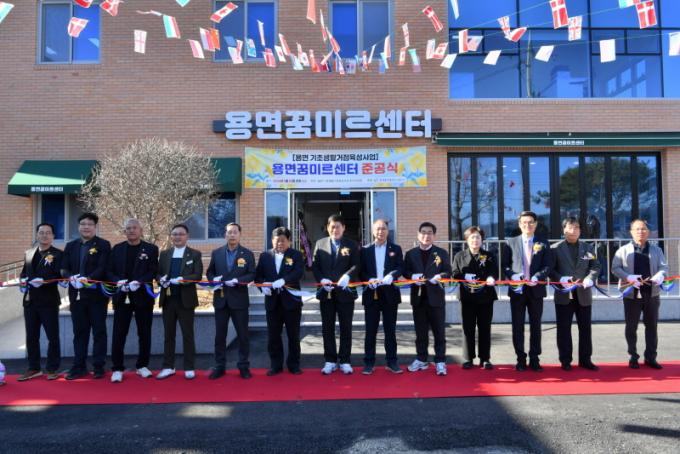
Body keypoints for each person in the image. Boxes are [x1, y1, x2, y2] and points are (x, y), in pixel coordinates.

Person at [107, 219, 159, 383]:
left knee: (144, 333)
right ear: (124, 231)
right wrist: (117, 281)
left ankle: (142, 365)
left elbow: (153, 270)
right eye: (128, 228)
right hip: (122, 296)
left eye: (134, 228)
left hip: (143, 296)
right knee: (119, 333)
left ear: (141, 230)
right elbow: (109, 271)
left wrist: (140, 282)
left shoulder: (151, 249)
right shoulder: (117, 249)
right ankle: (117, 368)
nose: (131, 231)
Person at [60, 212, 111, 380]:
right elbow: (63, 268)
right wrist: (71, 277)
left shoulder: (103, 244)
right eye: (83, 224)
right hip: (76, 296)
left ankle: (98, 366)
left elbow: (103, 268)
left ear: (95, 227)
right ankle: (79, 366)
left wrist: (87, 279)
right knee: (79, 332)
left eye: (89, 224)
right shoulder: (71, 246)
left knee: (99, 332)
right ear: (78, 226)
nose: (86, 227)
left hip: (96, 296)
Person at [612, 219, 668, 370]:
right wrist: (627, 277)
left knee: (652, 327)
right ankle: (633, 356)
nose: (640, 232)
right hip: (631, 294)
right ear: (631, 232)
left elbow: (664, 267)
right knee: (631, 327)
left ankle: (651, 357)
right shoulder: (623, 250)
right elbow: (615, 268)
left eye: (643, 229)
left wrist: (660, 275)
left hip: (652, 294)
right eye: (637, 229)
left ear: (648, 232)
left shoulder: (656, 250)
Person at [502, 211, 552, 372]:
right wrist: (513, 275)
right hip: (517, 290)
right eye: (524, 222)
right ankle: (520, 358)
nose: (527, 225)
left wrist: (538, 276)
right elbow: (505, 265)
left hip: (536, 290)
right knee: (517, 326)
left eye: (530, 222)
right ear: (519, 224)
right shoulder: (510, 242)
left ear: (535, 224)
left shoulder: (543, 242)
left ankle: (534, 358)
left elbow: (548, 265)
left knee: (536, 325)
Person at [549, 217, 601, 371]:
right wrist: (560, 278)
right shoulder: (554, 249)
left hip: (583, 294)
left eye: (577, 227)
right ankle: (565, 360)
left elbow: (595, 266)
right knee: (563, 329)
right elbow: (550, 270)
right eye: (570, 227)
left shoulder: (588, 248)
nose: (574, 230)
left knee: (585, 329)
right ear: (564, 229)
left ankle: (585, 360)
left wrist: (590, 278)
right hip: (563, 294)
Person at [206, 222, 256, 380]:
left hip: (239, 299)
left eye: (235, 232)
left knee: (243, 335)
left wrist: (238, 280)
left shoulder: (247, 254)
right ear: (225, 235)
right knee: (220, 336)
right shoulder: (216, 253)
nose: (232, 235)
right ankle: (219, 366)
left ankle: (243, 366)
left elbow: (252, 274)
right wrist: (214, 279)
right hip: (221, 299)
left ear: (240, 234)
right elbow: (210, 272)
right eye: (229, 232)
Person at [312, 214, 360, 375]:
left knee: (346, 328)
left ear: (344, 228)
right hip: (326, 294)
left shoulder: (352, 244)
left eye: (338, 226)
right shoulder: (320, 244)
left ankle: (345, 360)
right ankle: (330, 360)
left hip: (345, 293)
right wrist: (321, 279)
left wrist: (348, 276)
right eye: (332, 226)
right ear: (328, 228)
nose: (335, 229)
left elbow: (357, 265)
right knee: (327, 328)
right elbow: (315, 266)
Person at [404, 222, 452, 376]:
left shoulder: (441, 253)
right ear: (418, 235)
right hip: (418, 299)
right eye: (423, 232)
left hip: (436, 298)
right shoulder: (410, 254)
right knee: (420, 333)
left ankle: (440, 361)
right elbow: (405, 271)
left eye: (430, 232)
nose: (426, 235)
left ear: (434, 235)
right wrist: (412, 276)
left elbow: (448, 271)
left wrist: (440, 276)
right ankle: (421, 359)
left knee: (439, 332)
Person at [255, 227, 305, 376]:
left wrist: (284, 280)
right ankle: (275, 365)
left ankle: (294, 365)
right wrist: (262, 287)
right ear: (272, 241)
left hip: (291, 303)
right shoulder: (265, 256)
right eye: (277, 241)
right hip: (272, 303)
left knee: (293, 335)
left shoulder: (296, 255)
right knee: (273, 336)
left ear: (289, 241)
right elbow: (258, 277)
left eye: (283, 241)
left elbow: (298, 272)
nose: (280, 244)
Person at [18, 222, 63, 381]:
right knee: (31, 336)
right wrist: (23, 281)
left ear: (53, 236)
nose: (44, 235)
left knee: (52, 336)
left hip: (49, 301)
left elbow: (59, 275)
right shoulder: (29, 253)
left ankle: (52, 368)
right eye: (41, 232)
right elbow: (24, 273)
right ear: (37, 235)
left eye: (48, 233)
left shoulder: (58, 254)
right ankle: (34, 368)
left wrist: (44, 281)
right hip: (30, 301)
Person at [156, 224, 203, 380]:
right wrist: (161, 279)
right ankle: (168, 366)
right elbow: (158, 273)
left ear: (187, 236)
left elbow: (197, 275)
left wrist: (184, 279)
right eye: (175, 234)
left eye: (181, 234)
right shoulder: (165, 254)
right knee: (168, 335)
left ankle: (189, 367)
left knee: (187, 334)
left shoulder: (194, 254)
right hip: (168, 300)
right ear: (171, 236)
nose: (177, 237)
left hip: (186, 301)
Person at [359, 219, 404, 375]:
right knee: (370, 331)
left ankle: (392, 362)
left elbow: (400, 267)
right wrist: (368, 279)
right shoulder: (365, 250)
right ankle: (368, 362)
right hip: (371, 294)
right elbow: (361, 271)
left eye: (383, 229)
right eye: (378, 229)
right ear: (373, 231)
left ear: (387, 231)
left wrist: (392, 275)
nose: (380, 232)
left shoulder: (396, 249)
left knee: (390, 331)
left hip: (390, 294)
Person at [452, 226, 498, 370]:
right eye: (472, 237)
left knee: (485, 328)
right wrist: (464, 276)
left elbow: (494, 272)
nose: (475, 240)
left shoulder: (489, 255)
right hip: (467, 297)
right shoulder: (459, 256)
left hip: (486, 297)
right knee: (468, 328)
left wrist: (491, 278)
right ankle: (468, 358)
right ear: (467, 240)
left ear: (482, 239)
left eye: (478, 237)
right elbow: (454, 273)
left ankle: (485, 358)